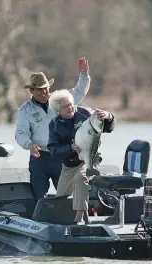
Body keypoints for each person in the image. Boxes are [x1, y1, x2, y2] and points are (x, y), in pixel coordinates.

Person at [15, 58, 91, 202]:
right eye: (39, 89)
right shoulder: (24, 110)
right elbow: (20, 133)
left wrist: (84, 74)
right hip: (39, 158)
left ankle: (69, 222)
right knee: (39, 198)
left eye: (46, 88)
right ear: (32, 90)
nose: (44, 92)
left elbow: (79, 92)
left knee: (66, 197)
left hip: (62, 154)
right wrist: (29, 145)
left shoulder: (59, 100)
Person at [47, 89, 116, 224]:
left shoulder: (85, 114)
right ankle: (82, 217)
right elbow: (53, 149)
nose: (70, 107)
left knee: (81, 178)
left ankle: (79, 217)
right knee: (61, 195)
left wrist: (108, 116)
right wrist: (70, 148)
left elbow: (107, 127)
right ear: (58, 111)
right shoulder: (54, 125)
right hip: (69, 163)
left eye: (71, 104)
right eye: (65, 106)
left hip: (90, 157)